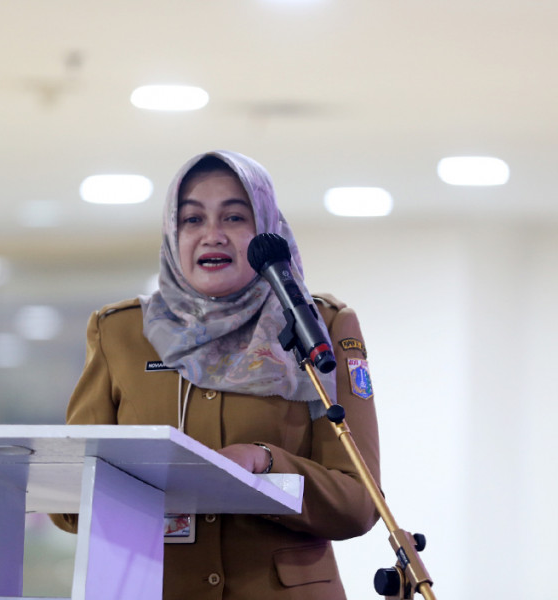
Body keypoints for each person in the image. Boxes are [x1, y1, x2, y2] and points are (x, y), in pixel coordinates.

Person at [51, 150, 381, 600]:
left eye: (234, 217)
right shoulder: (121, 333)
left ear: (266, 230)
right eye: (192, 219)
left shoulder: (318, 327)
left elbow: (358, 504)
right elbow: (67, 497)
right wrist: (138, 485)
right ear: (173, 233)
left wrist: (265, 462)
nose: (213, 235)